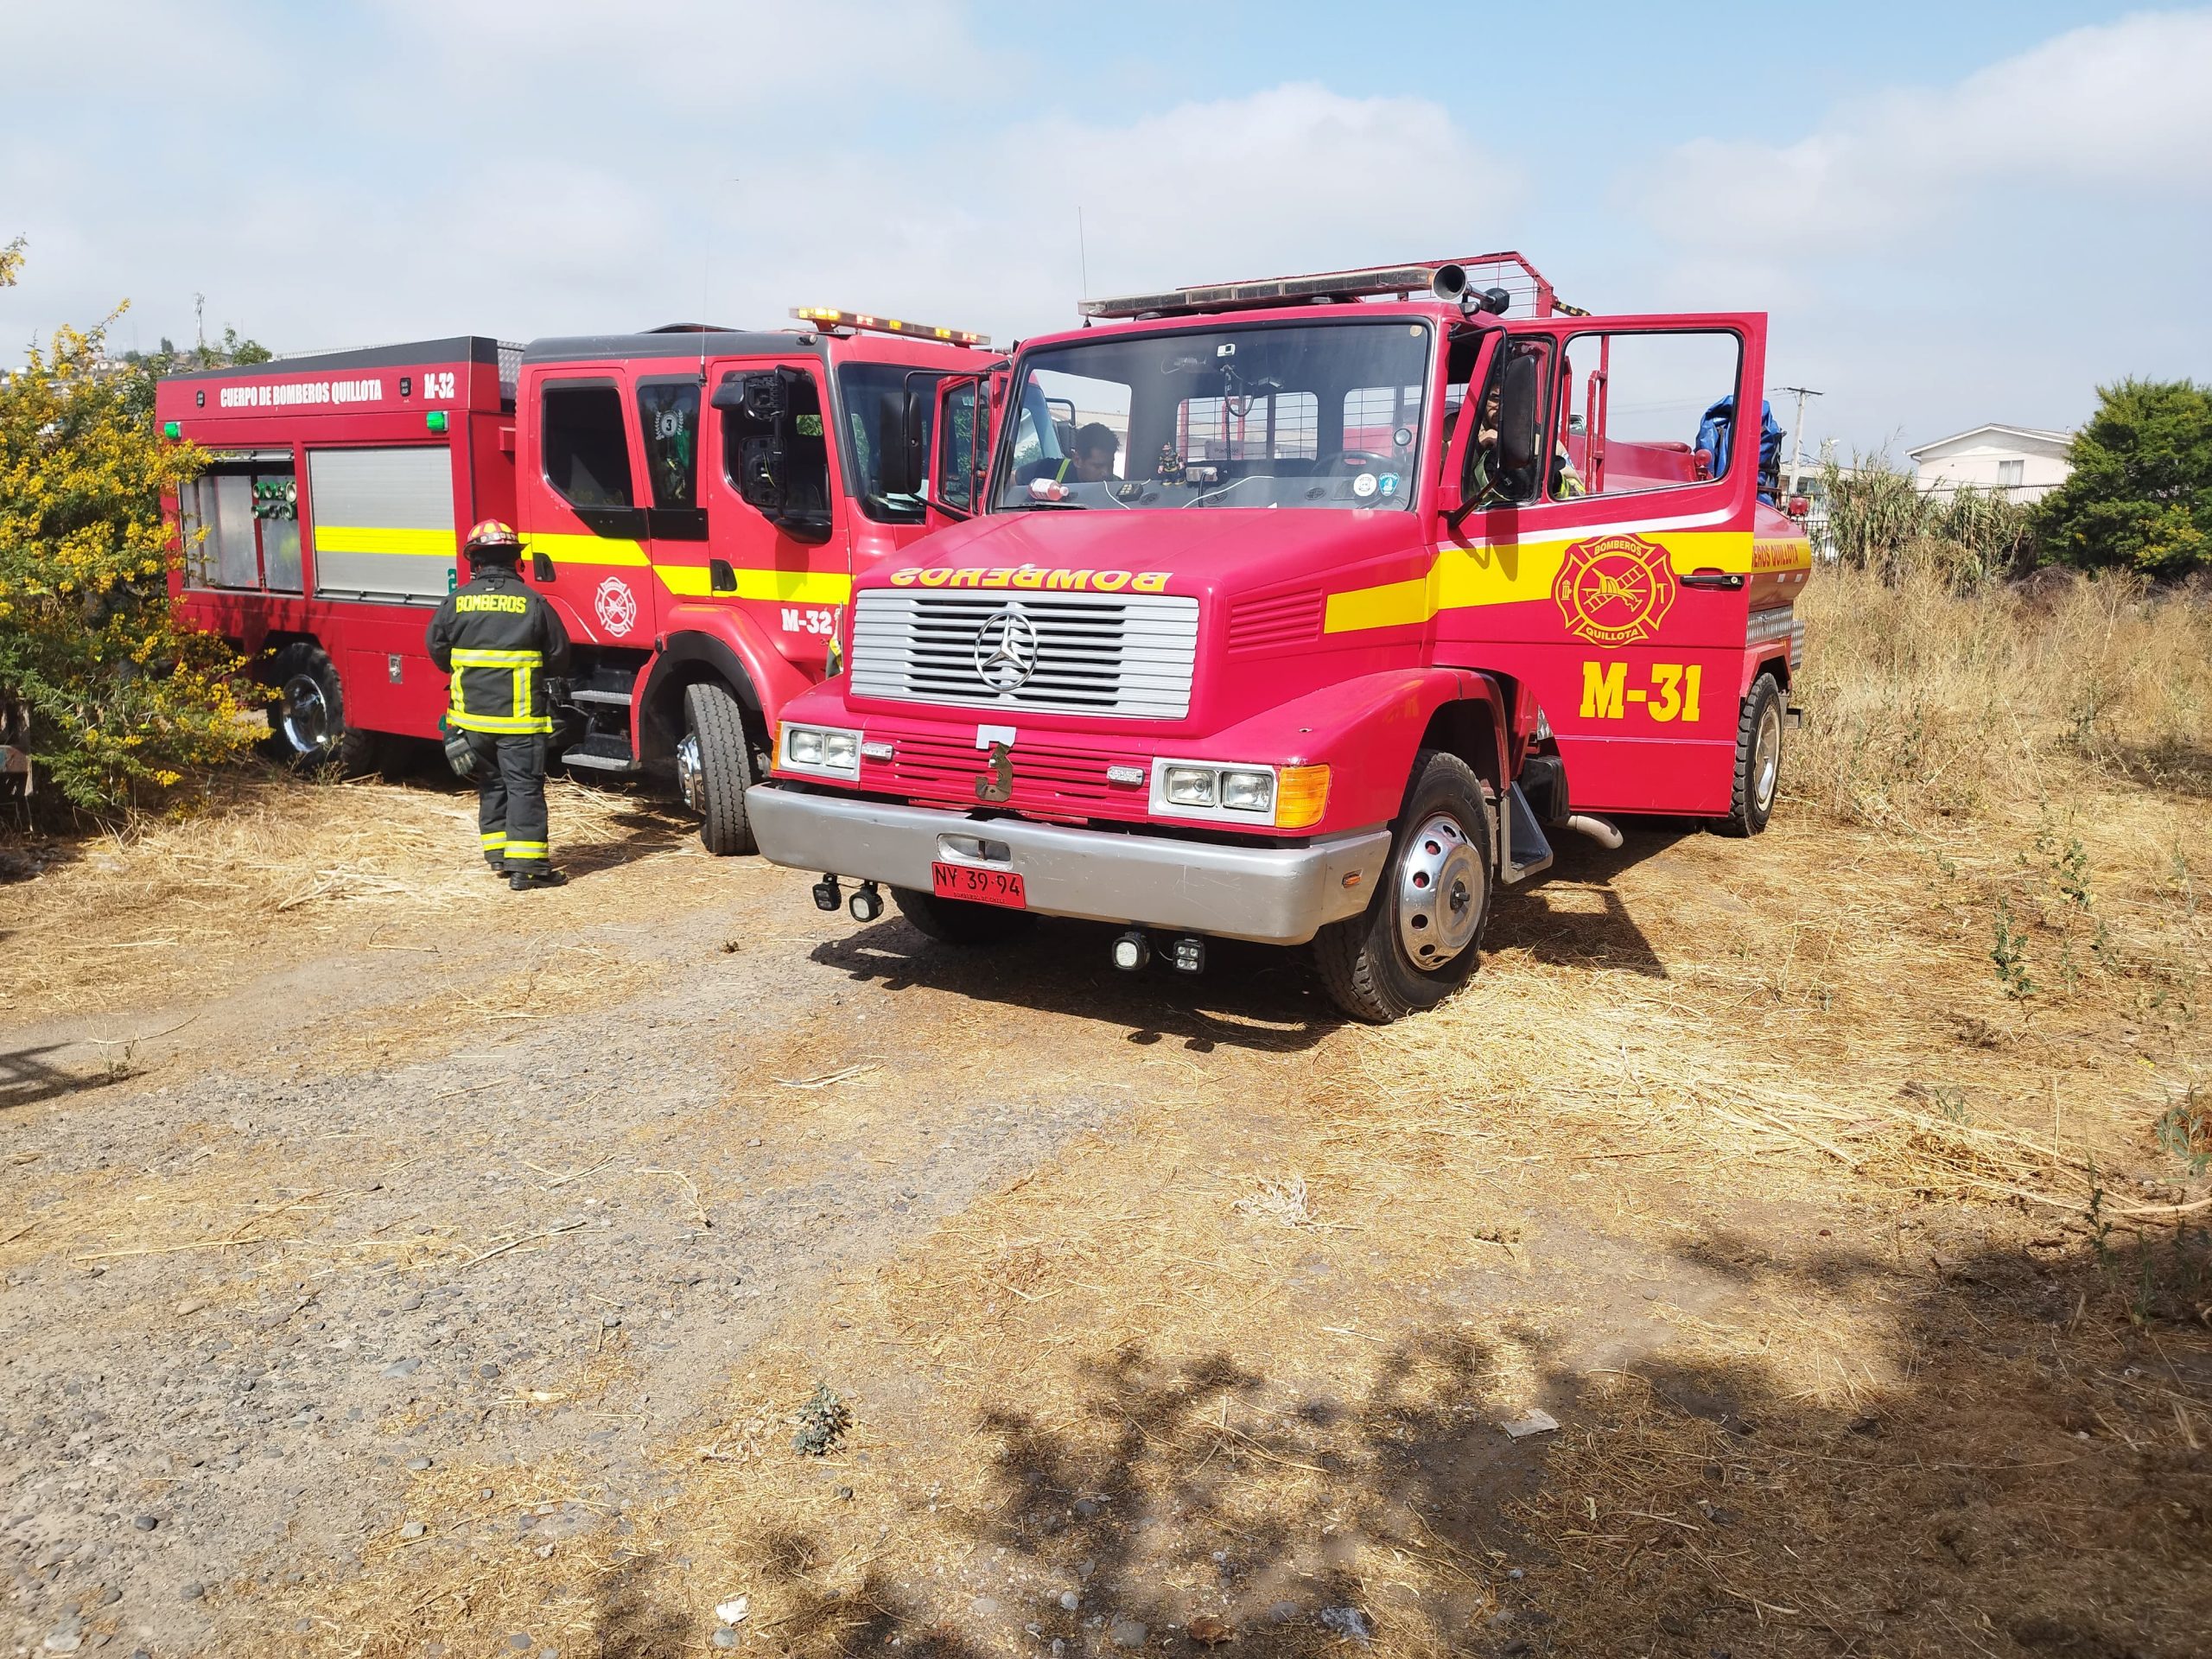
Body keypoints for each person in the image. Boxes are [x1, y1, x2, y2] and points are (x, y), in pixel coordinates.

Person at [424, 521, 573, 891]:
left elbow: (438, 651)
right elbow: (559, 655)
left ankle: (498, 857)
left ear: (474, 561)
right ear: (515, 560)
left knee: (492, 784)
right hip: (520, 723)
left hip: (471, 723)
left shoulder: (455, 602)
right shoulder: (533, 603)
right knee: (523, 788)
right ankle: (528, 870)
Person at [1055, 423, 1120, 484]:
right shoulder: (1049, 471)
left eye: (1110, 465)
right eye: (1098, 466)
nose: (1106, 473)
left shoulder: (1122, 490)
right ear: (1077, 460)